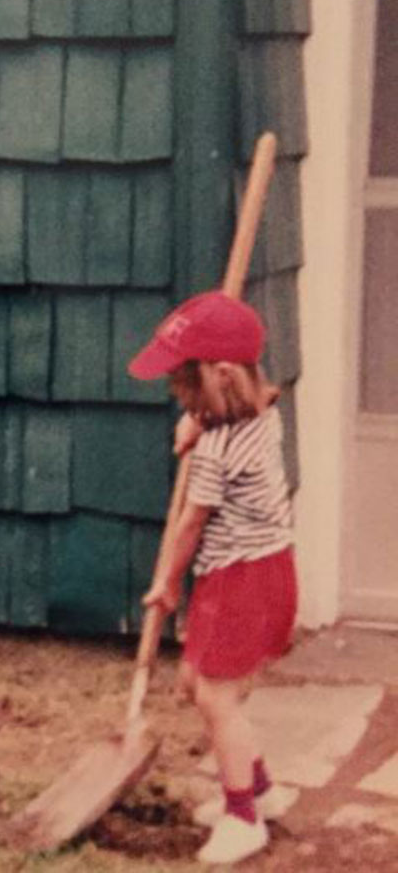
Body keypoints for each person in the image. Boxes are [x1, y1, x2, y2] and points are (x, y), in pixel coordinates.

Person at [129, 290, 299, 867]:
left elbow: (188, 526)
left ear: (221, 376)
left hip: (240, 579)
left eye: (184, 383)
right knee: (197, 685)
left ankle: (242, 818)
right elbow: (229, 412)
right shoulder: (264, 414)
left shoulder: (219, 452)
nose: (177, 393)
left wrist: (166, 588)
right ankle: (263, 790)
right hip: (262, 569)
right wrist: (197, 422)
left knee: (216, 698)